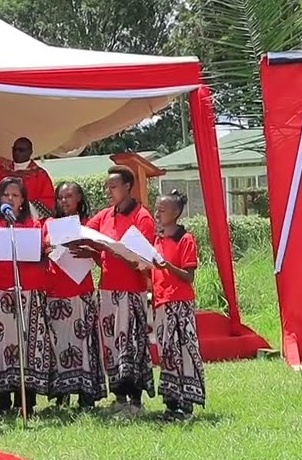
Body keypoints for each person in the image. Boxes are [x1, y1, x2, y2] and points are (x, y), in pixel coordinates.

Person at [0, 176, 52, 417]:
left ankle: (26, 402)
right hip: (0, 293)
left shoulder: (34, 225)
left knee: (28, 347)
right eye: (6, 195)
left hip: (30, 294)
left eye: (15, 195)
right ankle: (3, 403)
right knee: (1, 347)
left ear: (23, 200)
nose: (10, 199)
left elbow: (43, 257)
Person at [84, 165, 156, 416]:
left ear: (127, 187)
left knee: (132, 346)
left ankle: (135, 402)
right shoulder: (105, 215)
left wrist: (116, 251)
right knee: (112, 346)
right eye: (107, 186)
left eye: (113, 186)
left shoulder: (142, 217)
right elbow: (87, 233)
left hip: (130, 291)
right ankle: (119, 398)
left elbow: (144, 259)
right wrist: (90, 249)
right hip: (106, 290)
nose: (108, 191)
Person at [42, 182, 105, 410]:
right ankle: (61, 394)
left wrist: (93, 252)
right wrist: (48, 249)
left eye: (69, 196)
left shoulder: (89, 225)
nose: (64, 201)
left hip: (80, 291)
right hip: (55, 292)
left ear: (79, 198)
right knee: (58, 345)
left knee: (83, 344)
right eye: (60, 197)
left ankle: (86, 394)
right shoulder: (48, 224)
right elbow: (40, 254)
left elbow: (102, 258)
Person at [152, 191, 206, 420]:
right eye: (156, 209)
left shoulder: (185, 240)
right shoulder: (158, 239)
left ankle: (187, 403)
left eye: (162, 210)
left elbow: (188, 276)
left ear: (175, 213)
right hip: (161, 302)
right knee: (167, 353)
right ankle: (171, 402)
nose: (157, 214)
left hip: (179, 303)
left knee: (183, 350)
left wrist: (168, 267)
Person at [4, 138, 56, 218]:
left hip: (31, 221)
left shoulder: (40, 175)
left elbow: (48, 201)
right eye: (15, 149)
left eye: (21, 150)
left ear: (30, 152)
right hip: (5, 220)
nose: (17, 153)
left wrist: (25, 207)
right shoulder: (3, 173)